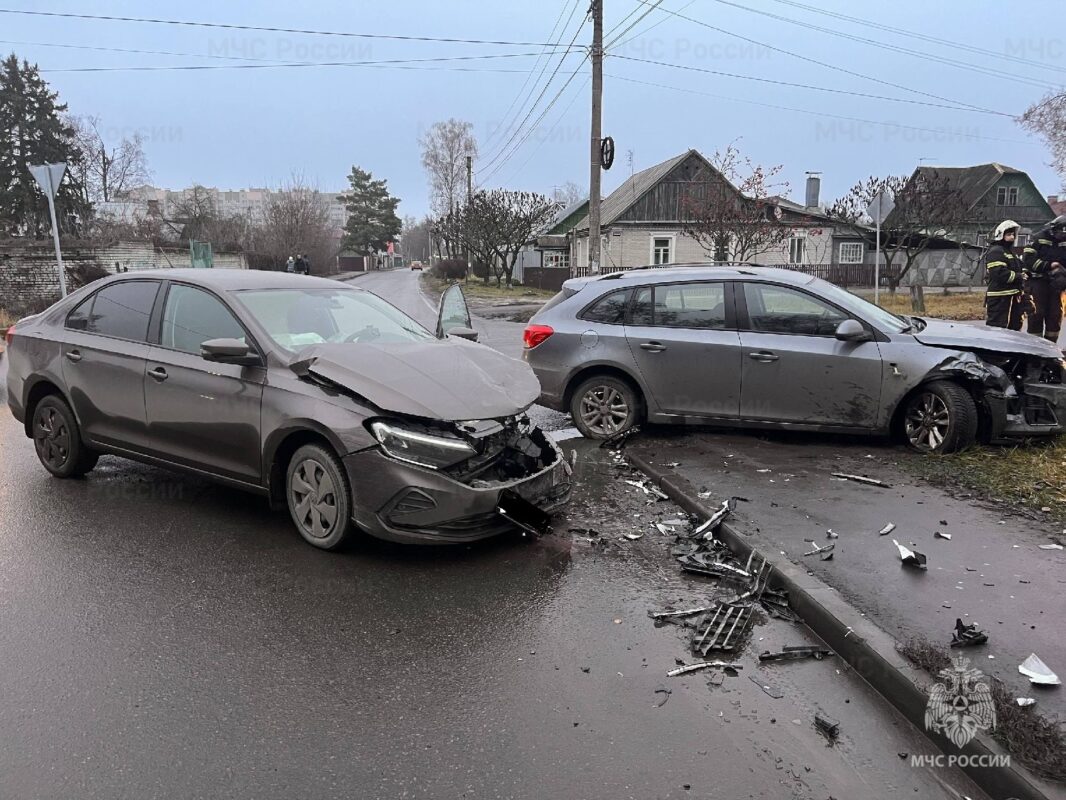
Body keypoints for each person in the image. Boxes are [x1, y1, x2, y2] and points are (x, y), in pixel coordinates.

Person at [1022, 214, 1066, 343]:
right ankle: (1034, 353)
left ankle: (1050, 351)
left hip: (1057, 284)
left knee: (1055, 316)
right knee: (1036, 314)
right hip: (1037, 283)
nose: (1062, 237)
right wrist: (1049, 265)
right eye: (1061, 234)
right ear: (1054, 229)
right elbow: (1028, 260)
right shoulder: (1038, 238)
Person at [983, 219, 1025, 330]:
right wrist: (1018, 276)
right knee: (998, 329)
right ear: (1001, 235)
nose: (1012, 237)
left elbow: (1020, 267)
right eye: (1008, 234)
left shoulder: (1010, 252)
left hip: (1012, 296)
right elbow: (998, 273)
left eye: (1013, 234)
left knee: (1014, 328)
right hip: (999, 297)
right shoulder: (996, 251)